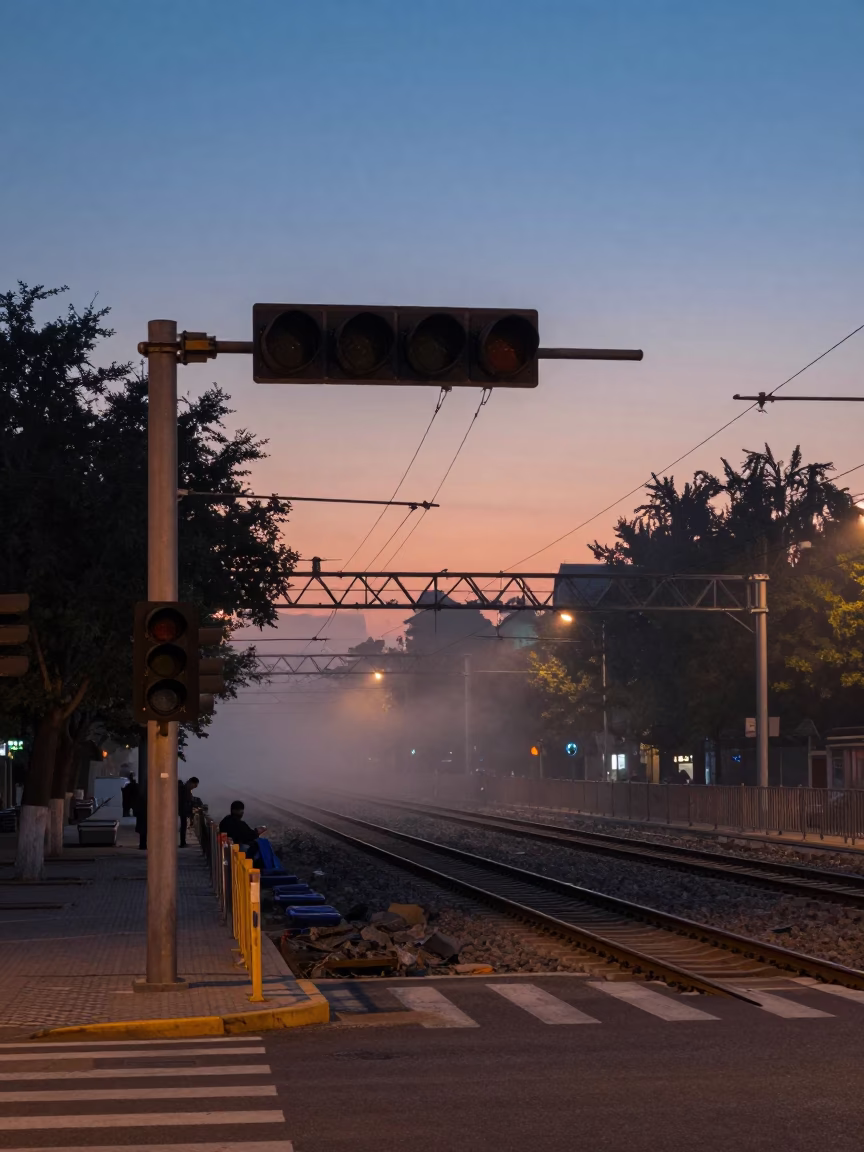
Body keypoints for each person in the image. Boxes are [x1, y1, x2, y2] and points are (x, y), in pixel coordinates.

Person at [178, 777, 199, 847]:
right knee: (183, 826)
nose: (194, 787)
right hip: (183, 809)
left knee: (183, 826)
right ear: (192, 783)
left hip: (182, 809)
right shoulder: (185, 789)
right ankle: (182, 843)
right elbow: (187, 800)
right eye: (195, 785)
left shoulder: (185, 788)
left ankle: (183, 842)